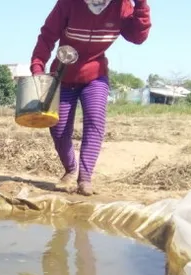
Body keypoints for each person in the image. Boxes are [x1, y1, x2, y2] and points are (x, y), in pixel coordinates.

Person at [30, 0, 151, 196]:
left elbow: (137, 36)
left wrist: (141, 5)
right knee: (58, 129)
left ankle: (85, 178)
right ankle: (70, 170)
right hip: (63, 75)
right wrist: (37, 67)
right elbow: (47, 36)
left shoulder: (121, 6)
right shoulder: (68, 3)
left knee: (95, 120)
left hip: (95, 75)